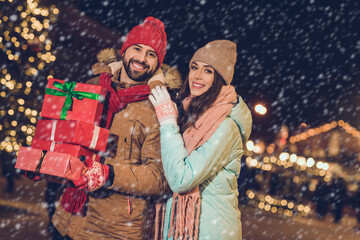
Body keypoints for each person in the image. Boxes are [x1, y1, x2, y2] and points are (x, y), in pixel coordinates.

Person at [51, 17, 170, 240]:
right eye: (137, 48)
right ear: (124, 52)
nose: (142, 58)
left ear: (157, 63)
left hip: (112, 230)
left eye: (151, 54)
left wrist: (110, 174)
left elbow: (160, 177)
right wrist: (46, 162)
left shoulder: (158, 108)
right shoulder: (91, 88)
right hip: (67, 220)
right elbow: (67, 139)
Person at [150, 40, 252, 240]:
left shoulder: (226, 126)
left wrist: (168, 123)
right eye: (194, 67)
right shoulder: (191, 115)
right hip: (186, 228)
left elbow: (181, 180)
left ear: (220, 79)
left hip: (210, 230)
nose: (197, 76)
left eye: (208, 71)